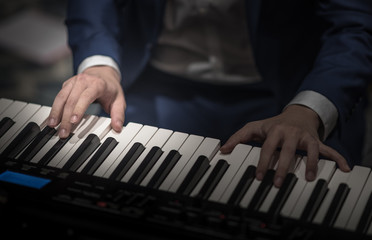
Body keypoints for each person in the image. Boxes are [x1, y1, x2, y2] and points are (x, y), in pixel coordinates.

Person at [47, 0, 372, 187]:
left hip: (287, 96)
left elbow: (355, 25)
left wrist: (308, 109)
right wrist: (101, 66)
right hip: (152, 86)